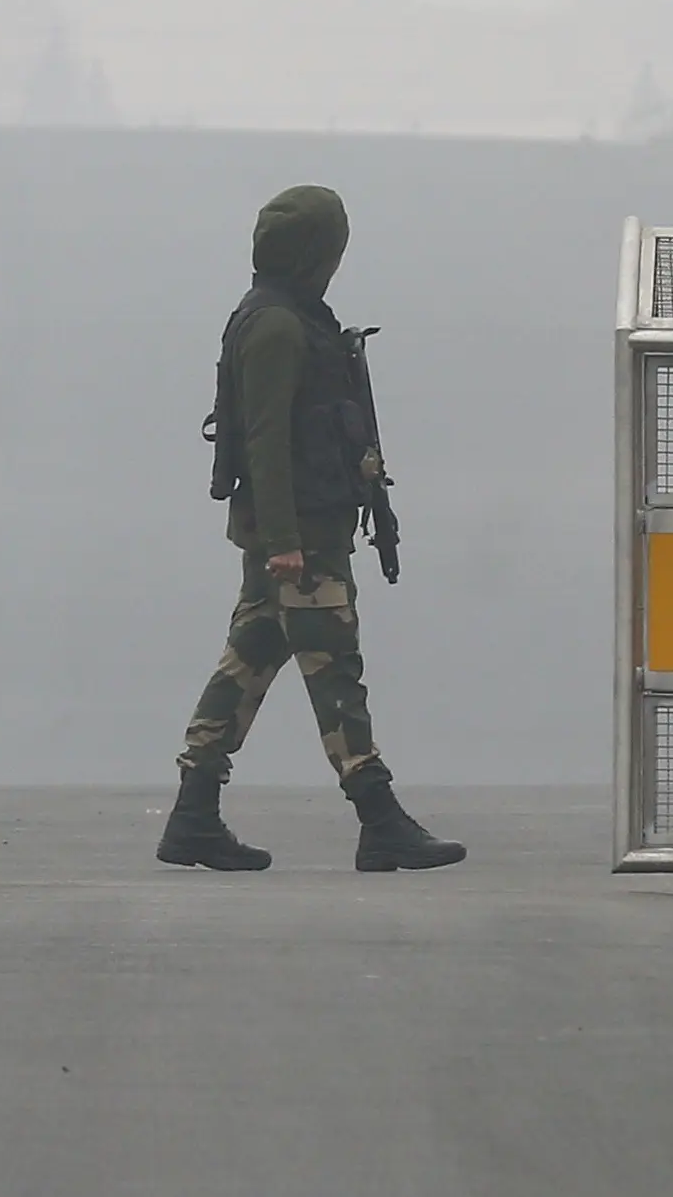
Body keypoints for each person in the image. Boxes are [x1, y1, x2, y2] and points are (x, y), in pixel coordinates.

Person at [158, 183, 463, 874]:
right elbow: (265, 440)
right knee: (333, 668)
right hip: (300, 536)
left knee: (247, 662)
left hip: (300, 530)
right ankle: (378, 815)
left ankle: (193, 815)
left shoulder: (289, 316)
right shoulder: (277, 326)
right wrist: (285, 541)